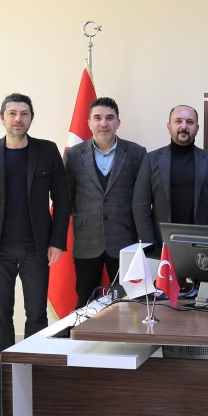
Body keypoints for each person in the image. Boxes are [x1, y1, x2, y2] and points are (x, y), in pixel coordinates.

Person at [0, 93, 70, 352]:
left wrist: (57, 241)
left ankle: (34, 364)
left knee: (36, 313)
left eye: (24, 114)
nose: (18, 119)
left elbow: (63, 199)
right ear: (2, 117)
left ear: (31, 118)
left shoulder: (47, 151)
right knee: (0, 314)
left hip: (37, 247)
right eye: (12, 113)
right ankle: (4, 368)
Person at [65, 97, 146, 308]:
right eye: (98, 118)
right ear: (89, 123)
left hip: (124, 240)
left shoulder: (137, 153)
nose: (104, 123)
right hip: (86, 241)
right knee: (85, 303)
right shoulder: (73, 155)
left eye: (110, 118)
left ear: (118, 122)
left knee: (128, 304)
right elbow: (67, 197)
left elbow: (142, 199)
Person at [133, 105, 208, 249]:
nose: (184, 126)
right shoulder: (151, 160)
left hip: (202, 246)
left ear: (197, 128)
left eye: (190, 122)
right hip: (161, 245)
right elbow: (140, 206)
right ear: (169, 126)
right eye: (178, 121)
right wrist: (150, 245)